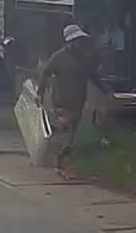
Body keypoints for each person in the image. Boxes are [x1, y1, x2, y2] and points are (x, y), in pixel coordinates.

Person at [36, 24, 109, 178]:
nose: (79, 43)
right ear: (69, 42)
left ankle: (60, 162)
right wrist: (39, 94)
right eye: (76, 40)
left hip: (78, 101)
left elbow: (93, 76)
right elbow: (45, 73)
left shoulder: (85, 58)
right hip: (62, 101)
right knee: (68, 133)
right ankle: (62, 165)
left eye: (80, 40)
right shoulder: (59, 57)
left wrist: (107, 91)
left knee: (71, 134)